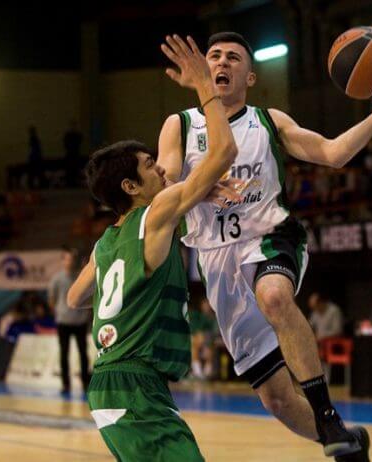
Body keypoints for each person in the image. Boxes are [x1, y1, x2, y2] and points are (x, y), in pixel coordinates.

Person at [157, 31, 372, 460]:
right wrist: (200, 186)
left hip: (270, 238)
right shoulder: (179, 125)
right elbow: (164, 182)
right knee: (278, 402)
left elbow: (332, 153)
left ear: (249, 77)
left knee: (274, 296)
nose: (222, 62)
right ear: (202, 68)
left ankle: (327, 413)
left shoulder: (268, 120)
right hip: (217, 263)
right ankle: (347, 441)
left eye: (234, 58)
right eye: (214, 56)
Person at [66, 34, 239, 461]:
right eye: (149, 166)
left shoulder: (107, 241)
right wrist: (204, 86)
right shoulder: (155, 213)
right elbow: (225, 151)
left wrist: (124, 298)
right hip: (135, 384)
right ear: (130, 187)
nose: (160, 168)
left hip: (110, 382)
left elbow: (75, 297)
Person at [48, 246, 90, 393]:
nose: (69, 262)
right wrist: (60, 313)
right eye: (67, 259)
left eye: (72, 259)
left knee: (83, 353)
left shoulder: (80, 276)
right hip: (63, 322)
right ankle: (65, 384)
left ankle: (86, 382)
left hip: (80, 322)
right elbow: (52, 299)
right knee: (64, 353)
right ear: (63, 260)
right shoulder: (57, 279)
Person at [189, 296, 220, 379]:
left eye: (208, 304)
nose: (206, 306)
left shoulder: (216, 317)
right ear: (201, 305)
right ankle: (198, 372)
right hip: (201, 342)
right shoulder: (198, 316)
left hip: (212, 341)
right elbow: (195, 331)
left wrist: (206, 341)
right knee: (194, 343)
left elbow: (216, 334)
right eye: (205, 304)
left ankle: (205, 373)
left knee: (207, 343)